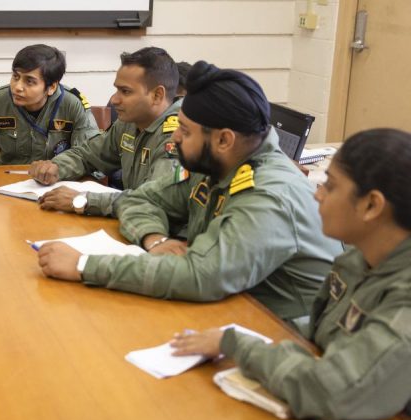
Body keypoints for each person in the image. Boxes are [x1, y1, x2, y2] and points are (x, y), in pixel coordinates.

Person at [36, 61, 343, 329]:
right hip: (229, 311)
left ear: (224, 139)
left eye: (184, 130)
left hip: (282, 333)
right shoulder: (216, 164)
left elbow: (202, 275)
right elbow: (141, 199)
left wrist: (84, 265)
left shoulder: (268, 195)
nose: (175, 137)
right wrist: (153, 239)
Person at [171, 128, 411, 420]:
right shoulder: (360, 258)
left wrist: (237, 344)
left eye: (331, 186)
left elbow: (327, 391)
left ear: (372, 205)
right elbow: (321, 333)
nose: (317, 194)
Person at [30, 47, 182, 216]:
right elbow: (88, 155)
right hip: (134, 222)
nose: (114, 100)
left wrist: (83, 200)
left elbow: (155, 201)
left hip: (169, 236)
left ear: (157, 95)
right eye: (117, 89)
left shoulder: (179, 135)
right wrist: (56, 167)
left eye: (125, 91)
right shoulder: (130, 123)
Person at [0, 44, 100, 166]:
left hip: (57, 185)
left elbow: (90, 158)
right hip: (5, 183)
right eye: (15, 77)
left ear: (51, 87)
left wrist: (57, 171)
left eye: (29, 81)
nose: (17, 87)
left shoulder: (72, 105)